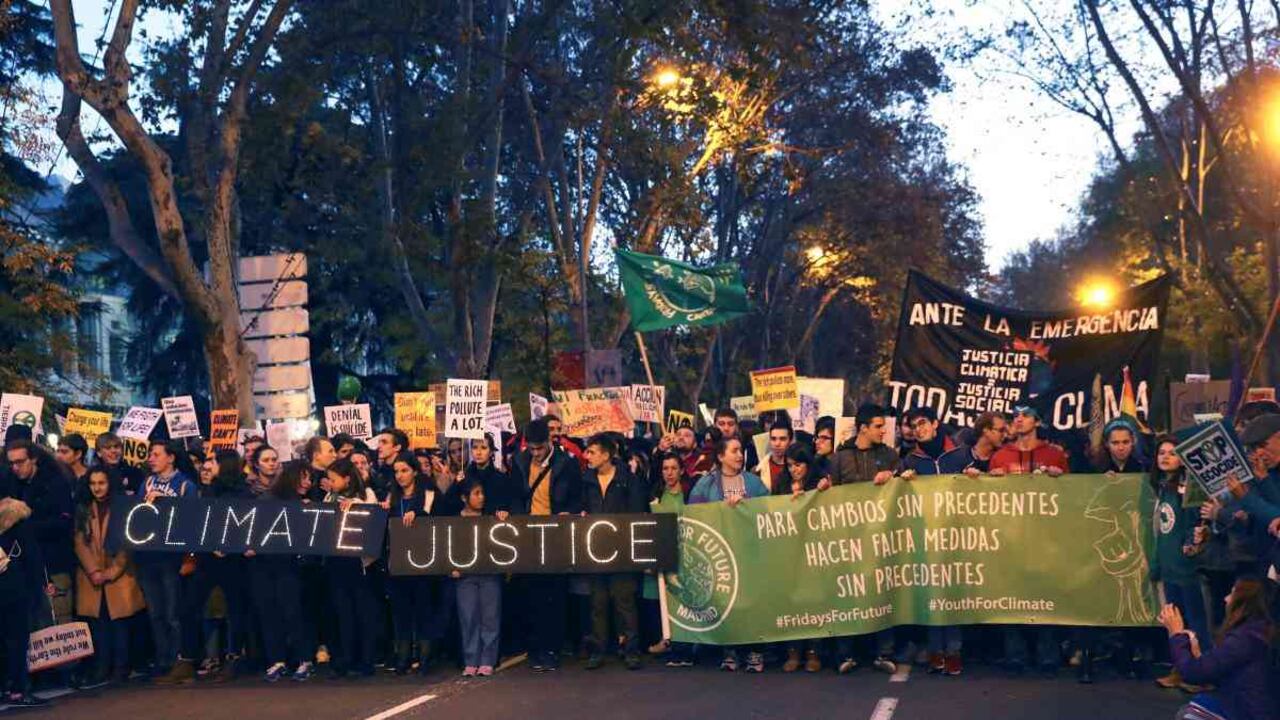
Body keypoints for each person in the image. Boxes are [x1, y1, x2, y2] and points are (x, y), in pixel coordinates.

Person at [821, 403, 907, 674]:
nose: (884, 431)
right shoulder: (839, 458)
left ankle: (884, 653)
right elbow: (830, 494)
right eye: (879, 426)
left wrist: (894, 478)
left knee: (882, 591)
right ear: (863, 428)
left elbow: (905, 485)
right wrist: (823, 488)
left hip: (882, 538)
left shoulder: (890, 456)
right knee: (849, 592)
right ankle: (846, 654)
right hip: (849, 540)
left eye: (884, 426)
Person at [689, 434, 769, 672]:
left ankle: (755, 651)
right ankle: (730, 650)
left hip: (750, 551)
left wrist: (746, 506)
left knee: (752, 601)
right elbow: (695, 512)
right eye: (734, 451)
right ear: (721, 456)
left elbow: (769, 509)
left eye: (741, 450)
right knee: (728, 602)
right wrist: (723, 509)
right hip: (721, 553)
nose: (740, 455)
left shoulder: (754, 483)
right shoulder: (707, 484)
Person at [508, 418, 581, 671]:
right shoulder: (518, 462)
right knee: (531, 593)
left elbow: (576, 498)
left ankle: (552, 648)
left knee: (554, 594)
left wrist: (568, 513)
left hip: (555, 535)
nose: (536, 454)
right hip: (528, 536)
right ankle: (536, 647)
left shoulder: (567, 464)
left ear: (550, 442)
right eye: (532, 449)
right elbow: (515, 496)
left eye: (540, 448)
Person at [181, 450, 251, 683]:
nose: (208, 465)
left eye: (213, 461)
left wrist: (229, 545)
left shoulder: (243, 492)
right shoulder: (210, 489)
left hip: (233, 561)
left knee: (235, 610)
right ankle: (188, 658)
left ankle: (233, 658)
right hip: (208, 559)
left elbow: (245, 523)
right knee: (190, 605)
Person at [1161, 578, 1276, 720]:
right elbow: (1228, 674)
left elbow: (1191, 673)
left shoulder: (1245, 638)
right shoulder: (1261, 633)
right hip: (1256, 708)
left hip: (1249, 712)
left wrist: (1176, 634)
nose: (1226, 599)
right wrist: (1199, 658)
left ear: (1244, 604)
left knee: (1189, 714)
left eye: (1232, 594)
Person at [1147, 436, 1211, 692]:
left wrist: (1190, 546)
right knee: (1175, 621)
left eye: (1172, 453)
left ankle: (1202, 672)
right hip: (1169, 567)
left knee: (1196, 623)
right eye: (1161, 452)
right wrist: (1157, 563)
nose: (1165, 457)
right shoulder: (1163, 487)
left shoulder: (1188, 489)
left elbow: (1193, 522)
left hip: (1186, 568)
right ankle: (1180, 667)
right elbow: (1162, 530)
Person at [580, 434, 649, 671]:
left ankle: (631, 650)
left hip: (621, 550)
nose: (587, 456)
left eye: (592, 452)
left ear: (607, 455)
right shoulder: (586, 480)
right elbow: (582, 508)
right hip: (595, 550)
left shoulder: (628, 479)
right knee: (598, 603)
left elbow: (638, 511)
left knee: (624, 601)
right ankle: (598, 650)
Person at [73, 465, 145, 685]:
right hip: (91, 575)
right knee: (99, 625)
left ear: (110, 483)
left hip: (118, 575)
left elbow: (128, 542)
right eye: (93, 483)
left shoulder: (123, 507)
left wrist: (112, 572)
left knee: (120, 624)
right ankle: (101, 668)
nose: (97, 488)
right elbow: (79, 541)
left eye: (101, 483)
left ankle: (121, 668)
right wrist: (94, 571)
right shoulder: (84, 508)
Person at [135, 439, 198, 684]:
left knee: (173, 613)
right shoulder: (147, 483)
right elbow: (137, 516)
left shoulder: (185, 485)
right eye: (150, 454)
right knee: (156, 613)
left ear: (170, 458)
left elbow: (190, 519)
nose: (151, 458)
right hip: (149, 556)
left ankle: (178, 660)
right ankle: (163, 660)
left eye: (156, 454)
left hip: (172, 558)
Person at [2, 439, 74, 628]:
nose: (15, 467)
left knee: (58, 628)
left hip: (54, 565)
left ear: (33, 459)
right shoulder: (12, 484)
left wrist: (25, 524)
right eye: (11, 463)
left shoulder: (56, 482)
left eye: (20, 462)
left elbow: (63, 523)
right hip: (24, 569)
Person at [323, 458, 379, 677]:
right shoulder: (330, 497)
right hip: (337, 562)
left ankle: (366, 660)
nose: (329, 483)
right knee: (343, 613)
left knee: (363, 612)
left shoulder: (367, 494)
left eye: (333, 479)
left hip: (359, 564)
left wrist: (355, 506)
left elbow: (372, 516)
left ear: (346, 479)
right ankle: (346, 658)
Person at [386, 451, 440, 674]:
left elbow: (435, 517)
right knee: (401, 613)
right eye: (396, 471)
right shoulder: (392, 497)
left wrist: (417, 513)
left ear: (415, 472)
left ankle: (425, 657)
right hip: (398, 561)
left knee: (423, 611)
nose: (400, 475)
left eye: (404, 470)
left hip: (422, 561)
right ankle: (403, 656)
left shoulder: (426, 493)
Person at [0, 495, 49, 707]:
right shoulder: (23, 532)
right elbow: (34, 562)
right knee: (18, 643)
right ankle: (19, 690)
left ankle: (5, 687)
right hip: (18, 594)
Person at [452, 479, 503, 677]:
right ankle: (471, 659)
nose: (481, 497)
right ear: (464, 498)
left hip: (489, 574)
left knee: (490, 618)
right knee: (468, 618)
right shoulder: (455, 521)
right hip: (465, 576)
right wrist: (452, 567)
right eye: (476, 493)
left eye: (482, 493)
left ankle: (488, 659)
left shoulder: (491, 518)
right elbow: (449, 546)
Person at [781, 443, 824, 674]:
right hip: (790, 553)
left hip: (813, 551)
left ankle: (813, 652)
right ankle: (793, 651)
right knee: (792, 602)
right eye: (789, 465)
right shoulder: (781, 485)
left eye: (798, 465)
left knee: (813, 602)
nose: (793, 470)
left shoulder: (818, 483)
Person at [988, 405, 1067, 476]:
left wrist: (1059, 478)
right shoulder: (999, 456)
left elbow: (1068, 487)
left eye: (1026, 415)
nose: (1019, 419)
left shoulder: (1055, 455)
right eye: (1016, 416)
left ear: (1038, 422)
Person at [958, 411, 1008, 476]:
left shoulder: (1006, 458)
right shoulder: (956, 458)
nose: (1005, 435)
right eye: (1001, 430)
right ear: (986, 430)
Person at [758, 421, 794, 495]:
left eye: (782, 439)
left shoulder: (800, 467)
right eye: (773, 439)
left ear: (790, 441)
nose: (777, 444)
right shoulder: (758, 470)